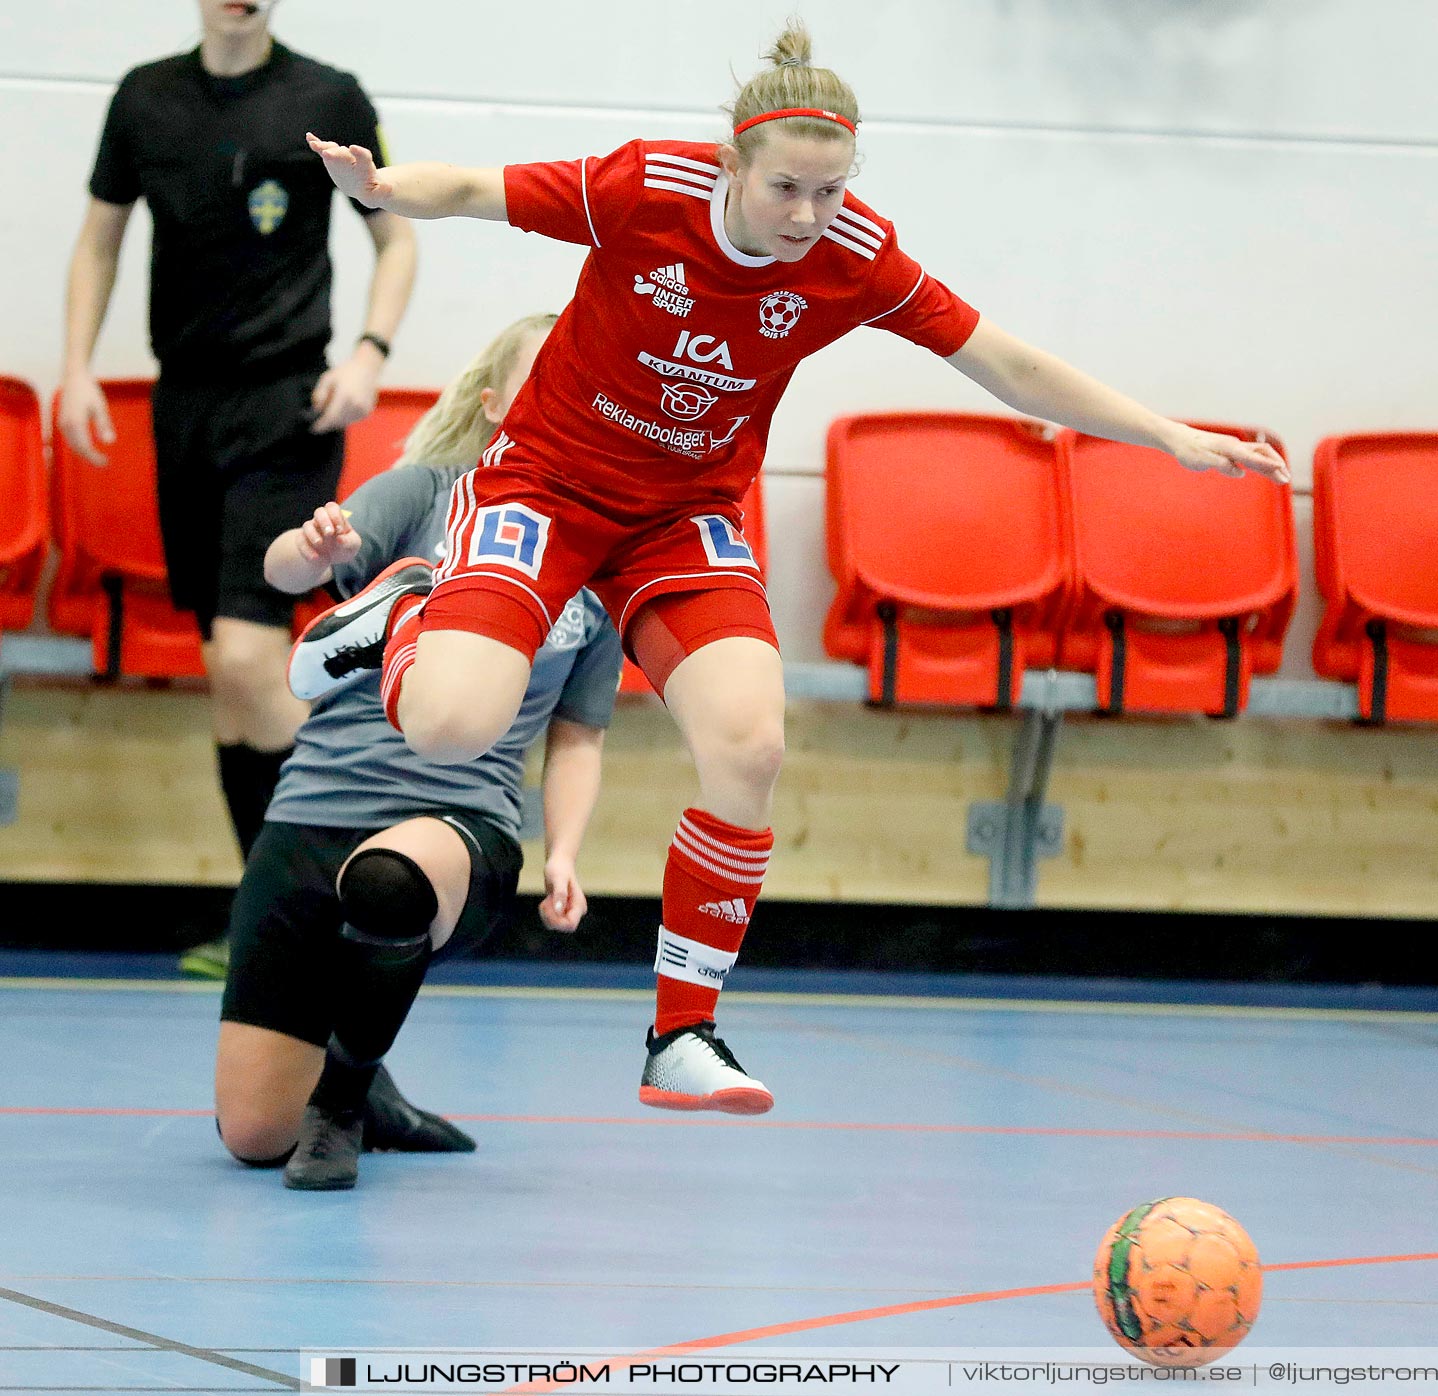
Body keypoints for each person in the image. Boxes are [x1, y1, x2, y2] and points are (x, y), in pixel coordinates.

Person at [290, 21, 1288, 1117]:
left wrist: (1167, 434)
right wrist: (384, 189)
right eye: (787, 190)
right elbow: (480, 188)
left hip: (684, 515)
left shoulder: (851, 253)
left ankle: (681, 1030)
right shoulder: (645, 189)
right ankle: (401, 618)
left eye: (830, 190)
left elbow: (1006, 361)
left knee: (752, 744)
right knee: (448, 726)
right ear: (731, 165)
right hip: (547, 487)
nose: (810, 216)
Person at [216, 313, 622, 1191]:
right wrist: (314, 548)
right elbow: (284, 571)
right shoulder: (423, 495)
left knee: (389, 881)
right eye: (545, 382)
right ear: (494, 406)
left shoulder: (603, 561)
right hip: (313, 810)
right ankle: (368, 1077)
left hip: (454, 825)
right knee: (251, 1136)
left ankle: (345, 1102)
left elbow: (579, 734)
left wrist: (563, 853)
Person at [57, 0, 418, 978]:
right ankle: (269, 917)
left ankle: (354, 885)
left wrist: (370, 356)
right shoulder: (145, 100)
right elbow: (99, 241)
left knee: (255, 663)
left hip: (288, 412)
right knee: (226, 675)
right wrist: (79, 366)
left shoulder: (325, 96)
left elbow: (398, 240)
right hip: (187, 409)